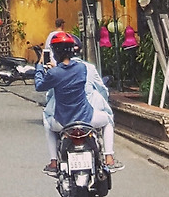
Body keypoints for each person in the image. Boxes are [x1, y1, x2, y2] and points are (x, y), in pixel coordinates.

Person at [34, 32, 116, 171]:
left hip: (62, 122)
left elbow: (39, 86)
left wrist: (40, 67)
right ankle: (109, 157)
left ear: (55, 52)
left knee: (47, 122)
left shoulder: (54, 73)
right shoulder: (82, 68)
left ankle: (53, 161)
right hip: (86, 119)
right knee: (108, 120)